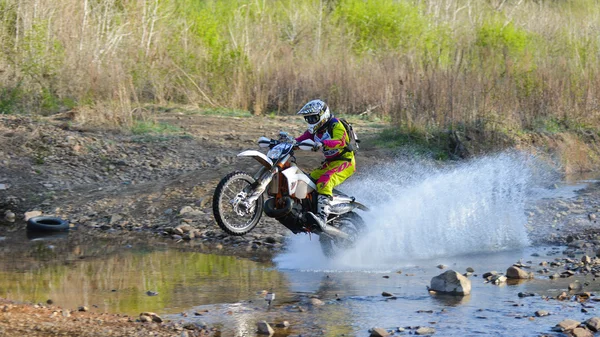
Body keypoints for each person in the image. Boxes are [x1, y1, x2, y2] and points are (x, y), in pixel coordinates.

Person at [295, 99, 356, 230]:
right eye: (308, 119)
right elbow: (299, 141)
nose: (311, 121)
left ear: (322, 115)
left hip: (345, 162)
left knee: (325, 181)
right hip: (329, 163)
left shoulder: (335, 124)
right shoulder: (314, 131)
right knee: (305, 182)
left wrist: (323, 143)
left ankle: (322, 217)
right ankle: (305, 212)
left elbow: (341, 141)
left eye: (313, 118)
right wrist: (284, 143)